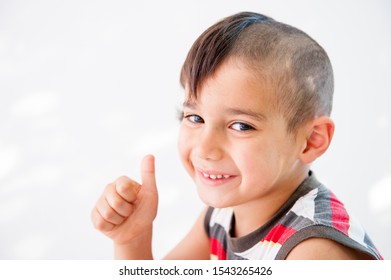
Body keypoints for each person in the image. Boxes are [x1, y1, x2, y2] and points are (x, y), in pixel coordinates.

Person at [90, 11, 383, 260]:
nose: (206, 148)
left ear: (311, 140)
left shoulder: (312, 253)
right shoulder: (222, 215)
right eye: (195, 118)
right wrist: (132, 240)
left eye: (241, 126)